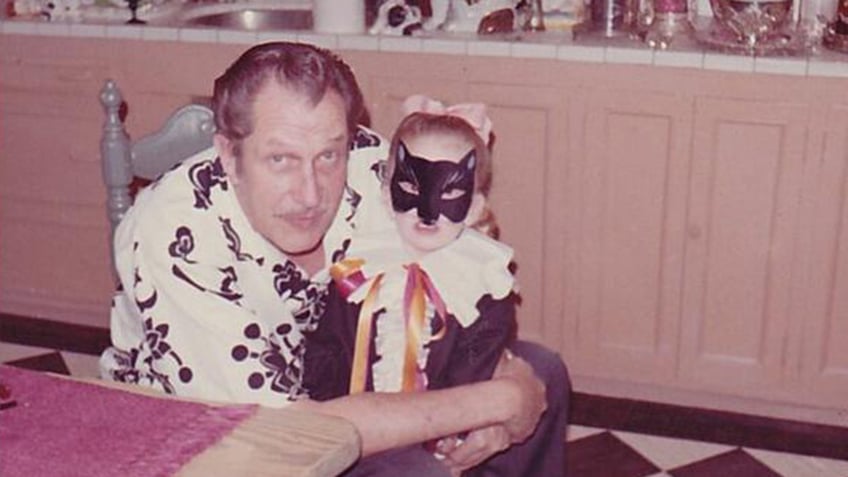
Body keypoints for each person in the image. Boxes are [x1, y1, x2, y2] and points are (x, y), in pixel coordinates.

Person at [99, 41, 569, 476]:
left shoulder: (369, 164)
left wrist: (512, 381)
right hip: (217, 436)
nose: (310, 194)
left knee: (543, 370)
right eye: (281, 160)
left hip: (347, 382)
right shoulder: (172, 231)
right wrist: (499, 399)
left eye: (328, 156)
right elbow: (289, 429)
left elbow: (455, 272)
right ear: (228, 153)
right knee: (415, 471)